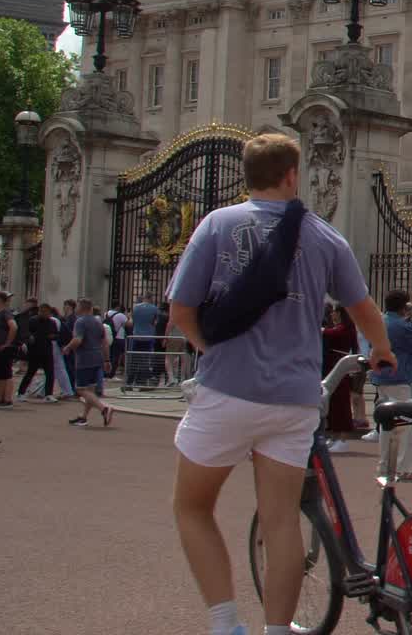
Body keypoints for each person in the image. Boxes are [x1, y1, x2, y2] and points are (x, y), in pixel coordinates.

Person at [166, 131, 393, 635]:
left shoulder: (217, 224)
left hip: (226, 391)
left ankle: (226, 624)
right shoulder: (324, 236)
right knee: (282, 521)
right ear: (292, 175)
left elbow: (180, 309)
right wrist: (382, 351)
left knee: (192, 506)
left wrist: (212, 349)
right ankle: (276, 630)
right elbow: (363, 310)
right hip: (292, 400)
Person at [366, 290, 412, 481]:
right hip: (398, 378)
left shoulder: (381, 321)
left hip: (381, 378)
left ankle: (384, 465)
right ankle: (403, 467)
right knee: (404, 426)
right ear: (403, 306)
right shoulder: (400, 325)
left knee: (386, 426)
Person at [64, 299, 116, 428]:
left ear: (81, 308)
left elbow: (78, 339)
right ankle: (83, 417)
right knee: (90, 390)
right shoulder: (98, 322)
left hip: (84, 358)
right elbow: (104, 342)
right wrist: (107, 360)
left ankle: (104, 409)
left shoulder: (80, 322)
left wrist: (68, 347)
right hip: (97, 357)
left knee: (80, 389)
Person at [320, 305, 358, 452]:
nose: (332, 315)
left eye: (335, 312)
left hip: (339, 367)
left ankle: (342, 438)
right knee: (333, 404)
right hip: (332, 365)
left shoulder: (345, 328)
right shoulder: (342, 327)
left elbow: (330, 333)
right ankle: (334, 436)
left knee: (341, 404)